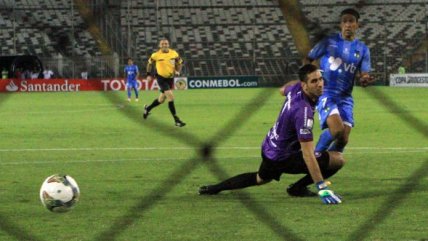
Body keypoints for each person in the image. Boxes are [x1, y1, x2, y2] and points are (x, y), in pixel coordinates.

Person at [199, 64, 344, 205]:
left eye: (320, 79)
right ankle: (297, 188)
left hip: (270, 147)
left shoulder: (295, 88)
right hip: (284, 156)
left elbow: (282, 90)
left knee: (260, 178)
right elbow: (308, 154)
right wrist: (322, 187)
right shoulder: (303, 113)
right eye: (314, 81)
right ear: (304, 85)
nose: (320, 84)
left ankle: (214, 188)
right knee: (337, 159)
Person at [306, 8, 374, 154]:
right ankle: (315, 157)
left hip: (345, 97)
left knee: (343, 138)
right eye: (345, 21)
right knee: (337, 130)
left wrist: (365, 80)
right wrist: (311, 77)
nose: (348, 25)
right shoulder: (329, 42)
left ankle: (328, 164)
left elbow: (364, 74)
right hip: (326, 93)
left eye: (351, 21)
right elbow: (309, 58)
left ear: (357, 25)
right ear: (340, 24)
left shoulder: (362, 49)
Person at [143, 38, 185, 127]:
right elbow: (149, 64)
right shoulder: (155, 55)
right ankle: (177, 120)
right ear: (160, 45)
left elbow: (180, 62)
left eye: (166, 43)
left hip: (170, 78)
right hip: (161, 78)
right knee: (171, 97)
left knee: (161, 100)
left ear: (168, 44)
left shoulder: (174, 53)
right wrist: (148, 74)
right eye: (163, 44)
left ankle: (147, 109)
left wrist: (178, 71)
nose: (165, 45)